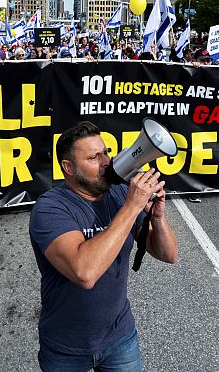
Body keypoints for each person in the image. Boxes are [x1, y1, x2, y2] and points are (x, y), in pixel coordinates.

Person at [29, 121, 178, 370]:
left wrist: (158, 217)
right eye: (93, 157)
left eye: (106, 152)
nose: (106, 161)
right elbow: (84, 273)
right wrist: (132, 206)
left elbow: (169, 254)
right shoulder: (50, 208)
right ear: (68, 167)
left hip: (120, 337)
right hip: (66, 347)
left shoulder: (119, 194)